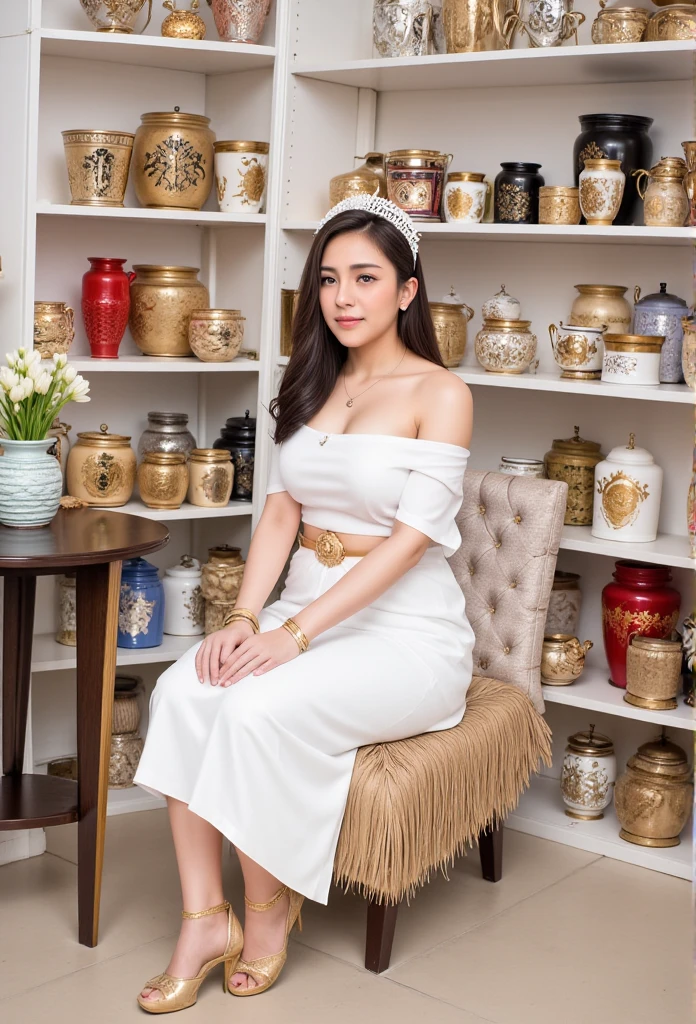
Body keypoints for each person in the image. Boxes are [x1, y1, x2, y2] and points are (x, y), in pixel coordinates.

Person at [133, 193, 475, 1013]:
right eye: (329, 278)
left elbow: (407, 543)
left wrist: (292, 634)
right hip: (299, 607)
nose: (344, 296)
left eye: (366, 276)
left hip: (407, 635)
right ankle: (203, 917)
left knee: (255, 713)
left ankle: (267, 910)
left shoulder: (442, 392)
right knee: (185, 690)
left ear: (407, 290)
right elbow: (282, 513)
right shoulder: (309, 377)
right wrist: (246, 620)